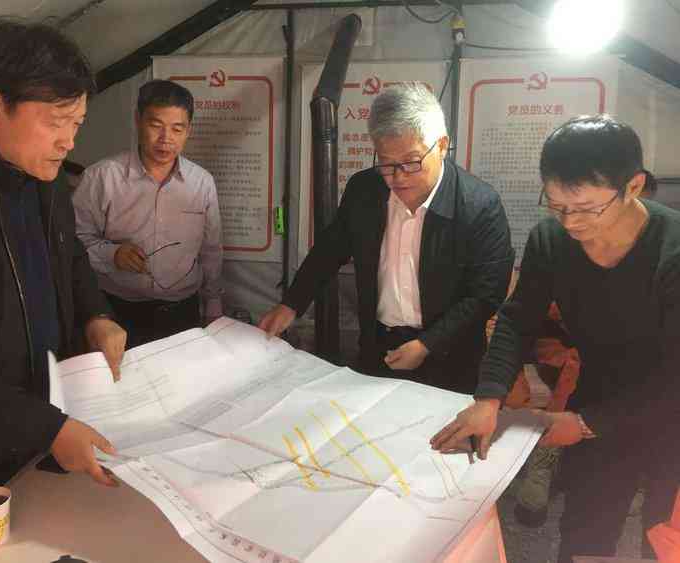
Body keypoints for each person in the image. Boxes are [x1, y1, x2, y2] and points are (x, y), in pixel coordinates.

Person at [431, 115, 680, 561]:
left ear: (634, 186)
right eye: (557, 205)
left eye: (585, 208)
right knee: (586, 531)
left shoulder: (672, 251)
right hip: (600, 390)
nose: (570, 222)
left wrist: (585, 423)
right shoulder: (551, 240)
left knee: (664, 539)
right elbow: (517, 319)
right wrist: (488, 399)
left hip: (672, 409)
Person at [0, 19, 127, 549]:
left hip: (44, 423)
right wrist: (47, 429)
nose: (69, 140)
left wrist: (97, 314)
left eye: (77, 123)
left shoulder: (43, 170)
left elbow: (70, 254)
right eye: (56, 122)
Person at [259, 84, 514, 393]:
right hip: (378, 346)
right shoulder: (364, 191)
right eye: (386, 164)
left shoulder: (479, 206)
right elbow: (330, 250)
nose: (399, 177)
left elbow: (485, 295)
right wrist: (291, 304)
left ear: (442, 145)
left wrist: (428, 344)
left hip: (450, 355)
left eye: (411, 162)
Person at [73, 79, 223, 348]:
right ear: (138, 120)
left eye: (177, 129)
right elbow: (73, 242)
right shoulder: (102, 177)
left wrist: (213, 304)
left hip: (182, 313)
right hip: (118, 312)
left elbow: (210, 249)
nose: (166, 139)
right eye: (156, 125)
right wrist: (112, 254)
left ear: (188, 130)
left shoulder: (202, 183)